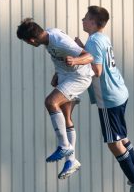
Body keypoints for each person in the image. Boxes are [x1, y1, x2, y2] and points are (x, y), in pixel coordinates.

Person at [75, 6, 134, 192]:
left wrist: (76, 61)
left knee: (113, 143)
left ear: (92, 22)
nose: (82, 20)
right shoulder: (101, 38)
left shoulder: (94, 42)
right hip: (120, 92)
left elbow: (97, 70)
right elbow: (97, 58)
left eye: (86, 18)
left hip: (108, 98)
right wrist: (83, 49)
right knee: (122, 137)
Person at [17, 18, 94, 179]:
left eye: (26, 42)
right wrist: (57, 74)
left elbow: (89, 56)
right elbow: (60, 57)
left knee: (51, 102)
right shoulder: (48, 37)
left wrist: (75, 60)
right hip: (66, 76)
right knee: (66, 116)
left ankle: (64, 145)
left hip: (79, 77)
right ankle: (71, 161)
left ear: (31, 40)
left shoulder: (59, 42)